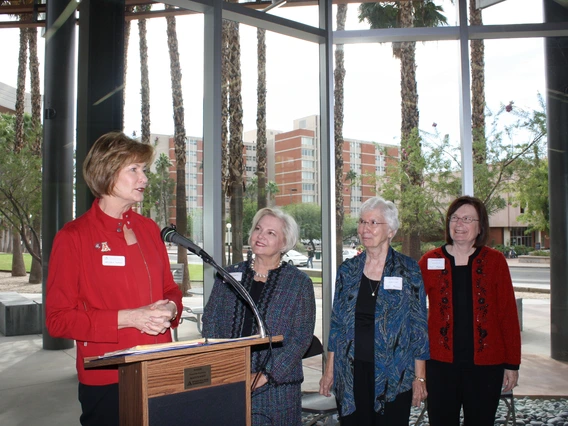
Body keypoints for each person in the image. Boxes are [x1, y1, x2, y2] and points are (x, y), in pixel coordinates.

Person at [45, 132, 183, 426]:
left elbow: (170, 289)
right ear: (106, 172)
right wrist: (129, 318)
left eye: (144, 170)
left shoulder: (148, 229)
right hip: (108, 376)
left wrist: (171, 309)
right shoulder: (74, 237)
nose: (144, 178)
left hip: (158, 366)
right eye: (134, 169)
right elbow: (58, 319)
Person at [319, 196, 429, 425]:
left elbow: (418, 326)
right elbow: (337, 325)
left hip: (394, 374)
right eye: (362, 222)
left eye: (373, 223)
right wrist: (330, 371)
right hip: (350, 373)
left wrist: (420, 376)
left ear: (391, 231)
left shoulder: (408, 270)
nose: (364, 229)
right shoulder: (347, 270)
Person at [202, 208, 316, 426]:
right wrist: (223, 367)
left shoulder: (298, 283)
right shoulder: (228, 275)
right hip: (229, 382)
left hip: (277, 389)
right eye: (258, 229)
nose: (260, 236)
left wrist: (266, 375)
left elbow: (301, 337)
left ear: (284, 243)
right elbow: (210, 321)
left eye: (271, 233)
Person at [418, 195, 521, 426]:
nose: (459, 224)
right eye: (454, 218)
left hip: (486, 367)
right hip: (440, 366)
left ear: (480, 226)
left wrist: (512, 364)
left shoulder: (495, 261)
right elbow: (413, 312)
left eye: (467, 219)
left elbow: (507, 315)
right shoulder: (429, 260)